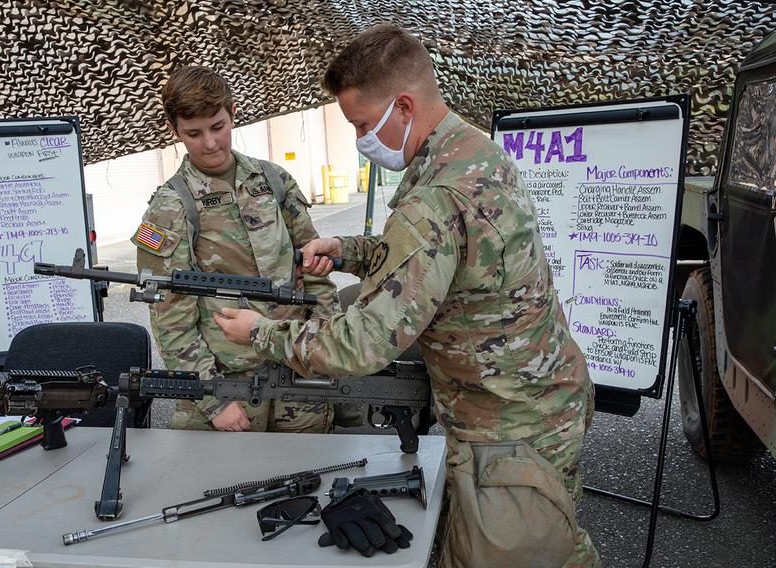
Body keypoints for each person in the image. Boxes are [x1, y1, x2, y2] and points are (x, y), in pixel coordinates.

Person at [214, 24, 600, 567]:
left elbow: (366, 344)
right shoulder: (474, 152)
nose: (359, 140)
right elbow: (452, 264)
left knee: (527, 555)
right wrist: (348, 250)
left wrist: (262, 333)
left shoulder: (434, 200)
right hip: (540, 400)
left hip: (507, 430)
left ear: (402, 106)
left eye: (363, 124)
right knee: (552, 537)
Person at [133, 65, 338, 433]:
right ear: (173, 129)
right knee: (229, 487)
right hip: (228, 386)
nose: (210, 143)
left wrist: (322, 349)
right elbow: (170, 319)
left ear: (233, 113)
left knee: (313, 476)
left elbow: (315, 270)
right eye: (193, 133)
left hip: (298, 374)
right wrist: (212, 400)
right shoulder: (171, 207)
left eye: (218, 126)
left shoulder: (274, 181)